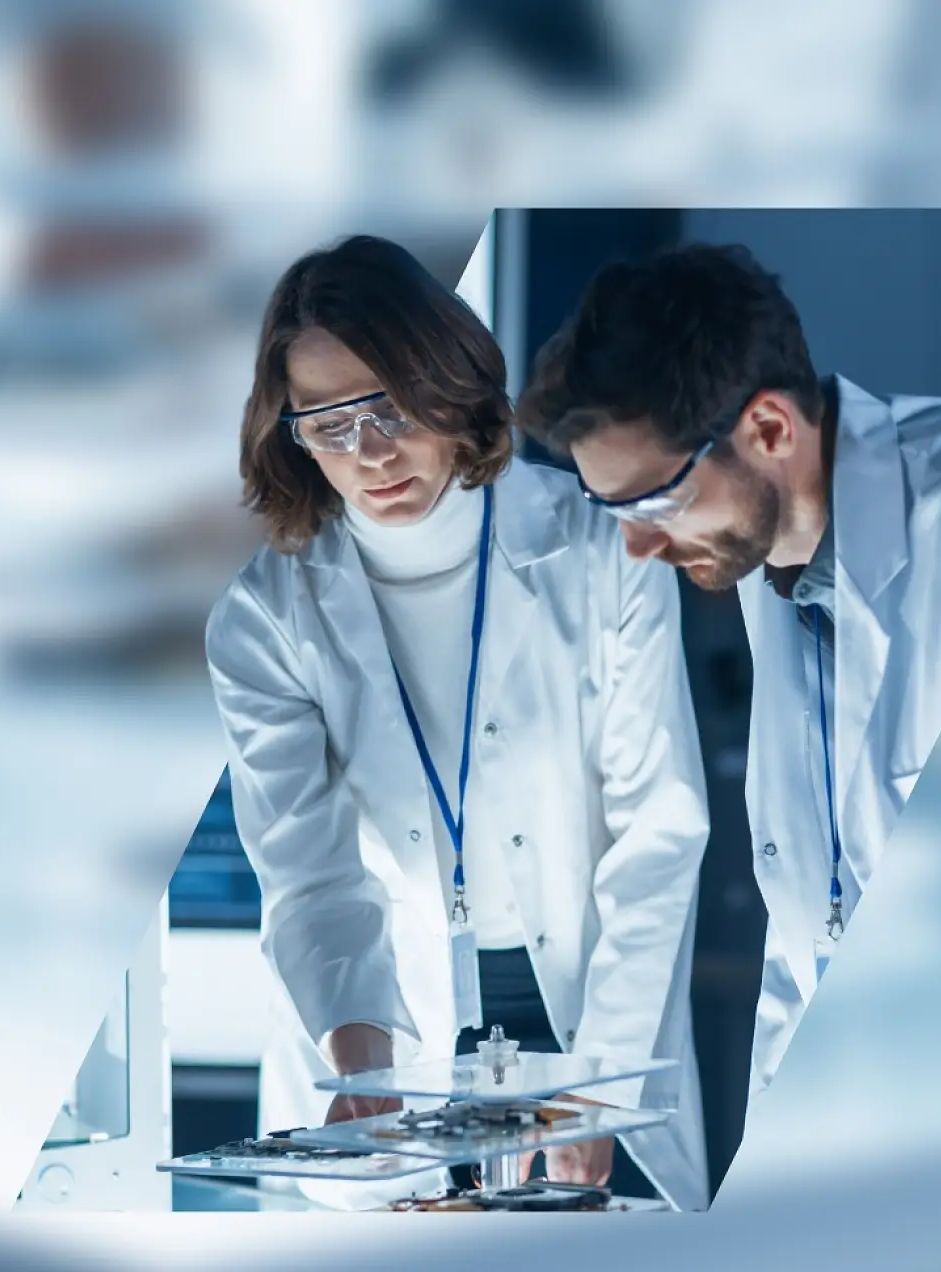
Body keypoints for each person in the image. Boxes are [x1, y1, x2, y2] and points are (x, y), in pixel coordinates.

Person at [206, 235, 710, 1209]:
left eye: (390, 408)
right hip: (375, 1009)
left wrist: (599, 1080)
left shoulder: (602, 547)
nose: (369, 454)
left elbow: (659, 829)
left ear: (451, 385)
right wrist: (361, 1077)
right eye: (328, 423)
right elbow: (309, 872)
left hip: (587, 992)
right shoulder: (266, 616)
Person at [517, 243, 941, 1094]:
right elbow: (805, 939)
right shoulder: (765, 554)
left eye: (652, 502)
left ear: (770, 429)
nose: (635, 547)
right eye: (612, 511)